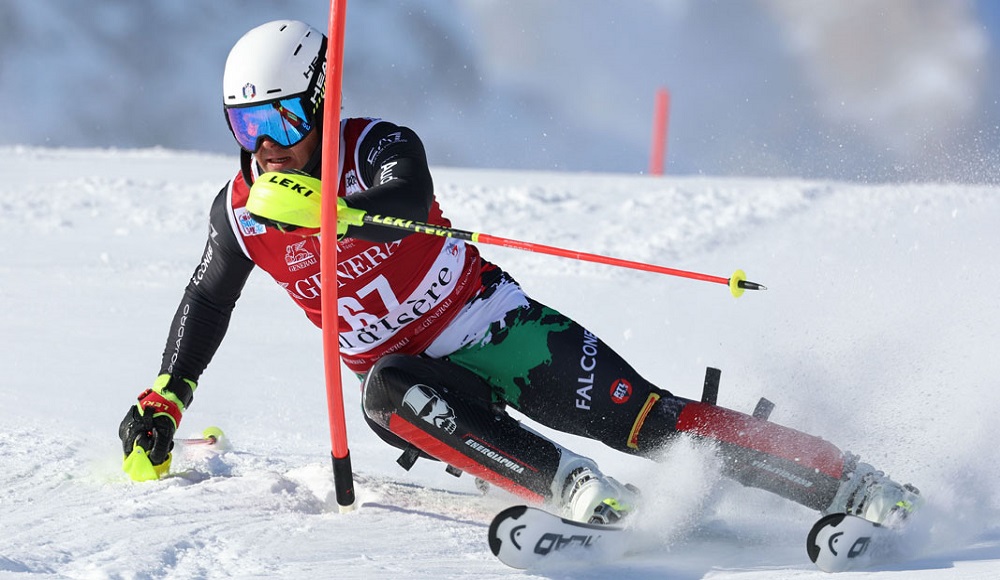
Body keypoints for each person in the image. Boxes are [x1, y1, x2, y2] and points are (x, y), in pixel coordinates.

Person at [119, 19, 921, 526]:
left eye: (283, 118)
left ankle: (848, 478)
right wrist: (167, 395)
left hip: (499, 330)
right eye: (245, 123)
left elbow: (409, 191)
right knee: (383, 391)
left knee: (649, 422)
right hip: (412, 387)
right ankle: (568, 488)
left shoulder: (377, 147)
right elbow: (207, 297)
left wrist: (328, 210)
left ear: (322, 102)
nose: (265, 142)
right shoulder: (240, 211)